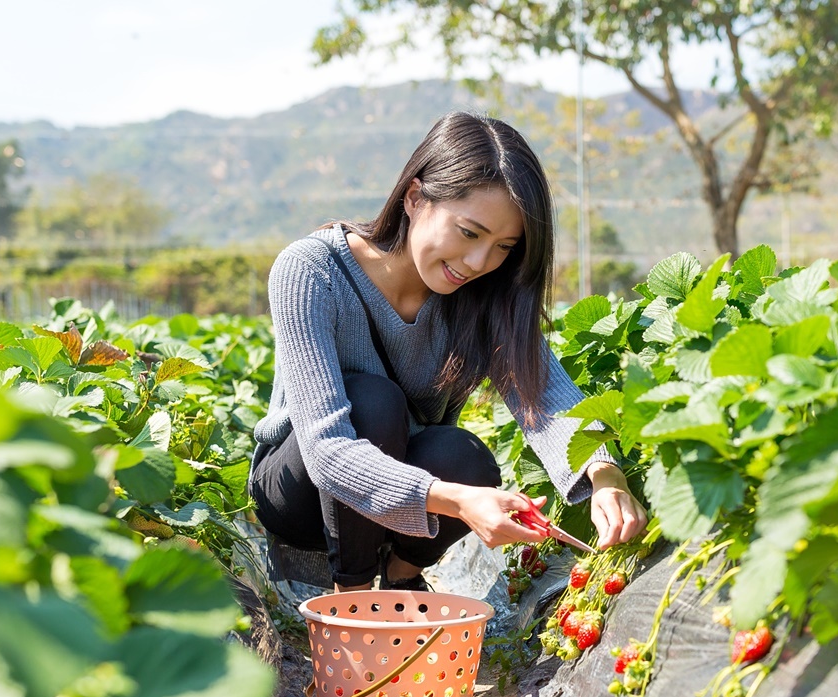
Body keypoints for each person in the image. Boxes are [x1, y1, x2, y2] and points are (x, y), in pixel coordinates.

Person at [249, 111, 647, 592]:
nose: (480, 263)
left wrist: (604, 474)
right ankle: (349, 597)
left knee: (466, 457)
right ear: (416, 198)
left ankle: (402, 577)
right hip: (303, 495)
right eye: (470, 233)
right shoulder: (311, 271)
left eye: (504, 246)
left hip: (404, 505)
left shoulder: (483, 295)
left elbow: (545, 398)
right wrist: (457, 502)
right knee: (374, 402)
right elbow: (326, 450)